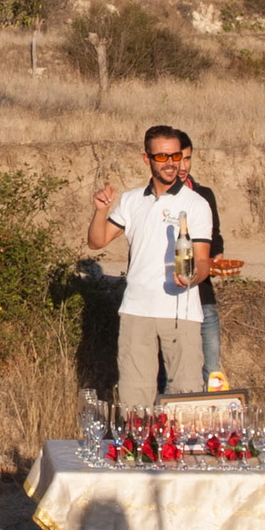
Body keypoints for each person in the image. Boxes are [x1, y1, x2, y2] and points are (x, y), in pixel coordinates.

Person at [87, 125, 212, 409]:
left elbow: (203, 260)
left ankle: (184, 453)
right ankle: (139, 450)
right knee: (134, 400)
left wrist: (193, 275)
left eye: (176, 156)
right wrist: (101, 210)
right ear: (147, 159)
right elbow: (97, 241)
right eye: (162, 157)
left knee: (186, 398)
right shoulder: (131, 200)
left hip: (181, 312)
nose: (171, 164)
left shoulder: (196, 204)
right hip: (136, 310)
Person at [175, 129, 226, 388]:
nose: (182, 166)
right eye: (178, 159)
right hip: (171, 295)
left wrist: (217, 255)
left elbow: (214, 234)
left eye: (187, 159)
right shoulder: (160, 197)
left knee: (213, 364)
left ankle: (214, 420)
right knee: (171, 368)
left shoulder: (204, 194)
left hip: (203, 292)